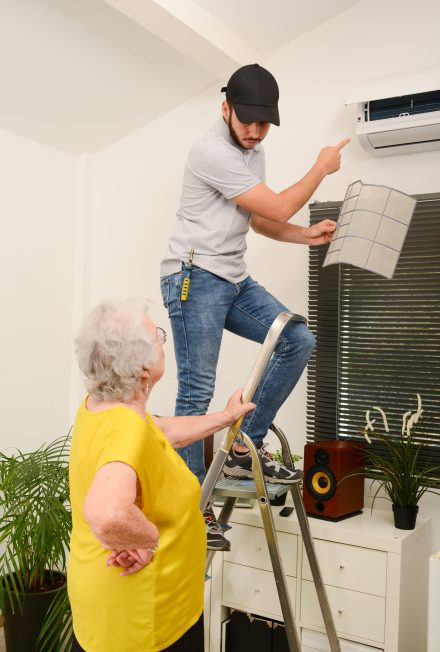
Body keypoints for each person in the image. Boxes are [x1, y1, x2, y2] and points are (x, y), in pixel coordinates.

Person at [160, 63, 349, 547]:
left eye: (264, 124)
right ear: (225, 109)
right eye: (247, 121)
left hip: (234, 279)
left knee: (297, 338)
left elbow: (264, 219)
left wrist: (305, 236)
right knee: (197, 391)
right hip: (194, 277)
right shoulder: (211, 151)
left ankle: (246, 443)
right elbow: (281, 205)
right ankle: (191, 507)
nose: (255, 131)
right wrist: (321, 168)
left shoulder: (253, 151)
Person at [67, 298, 255, 652]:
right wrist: (147, 538)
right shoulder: (126, 427)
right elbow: (106, 514)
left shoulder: (102, 407)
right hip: (142, 613)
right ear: (141, 370)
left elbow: (160, 431)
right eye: (158, 338)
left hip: (114, 601)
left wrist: (224, 417)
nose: (163, 342)